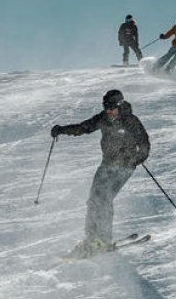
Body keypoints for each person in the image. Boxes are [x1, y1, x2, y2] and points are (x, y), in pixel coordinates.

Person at [50, 89, 150, 258]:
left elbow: (144, 143)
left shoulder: (130, 121)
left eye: (111, 107)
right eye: (105, 107)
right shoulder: (103, 118)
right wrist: (62, 130)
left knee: (105, 198)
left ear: (119, 105)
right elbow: (84, 127)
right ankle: (91, 239)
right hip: (107, 164)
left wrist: (137, 158)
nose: (108, 110)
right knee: (93, 199)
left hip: (125, 166)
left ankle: (103, 239)